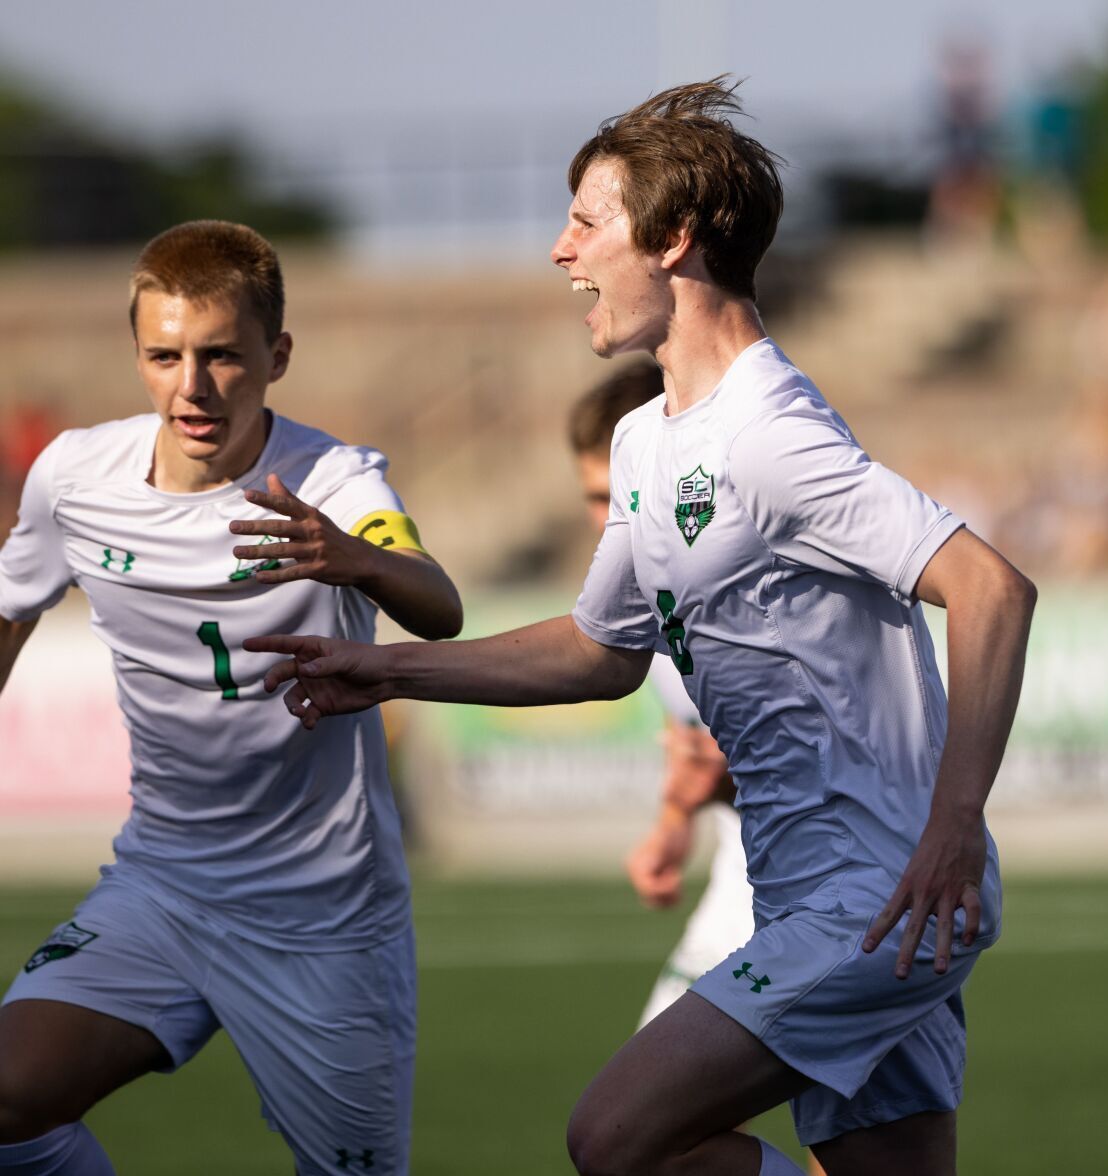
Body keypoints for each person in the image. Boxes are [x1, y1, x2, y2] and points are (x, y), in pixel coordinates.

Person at [246, 77, 1037, 1176]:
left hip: (881, 897)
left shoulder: (768, 430)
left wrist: (954, 825)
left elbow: (992, 588)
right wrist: (385, 666)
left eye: (585, 220)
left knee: (617, 1141)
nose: (560, 251)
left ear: (669, 240)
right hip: (813, 896)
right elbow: (600, 651)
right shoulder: (646, 446)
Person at [0, 220, 462, 1176]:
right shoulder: (75, 479)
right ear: (138, 355)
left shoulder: (335, 480)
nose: (192, 387)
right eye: (164, 356)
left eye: (221, 356)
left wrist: (356, 557)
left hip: (324, 919)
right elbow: (11, 610)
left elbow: (438, 604)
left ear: (276, 355)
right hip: (162, 890)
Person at [566, 363, 755, 1029]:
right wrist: (676, 824)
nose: (606, 518)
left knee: (636, 1128)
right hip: (755, 868)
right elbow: (706, 752)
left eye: (615, 493)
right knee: (639, 1130)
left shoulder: (746, 577)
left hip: (836, 874)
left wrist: (395, 668)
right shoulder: (648, 588)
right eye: (593, 498)